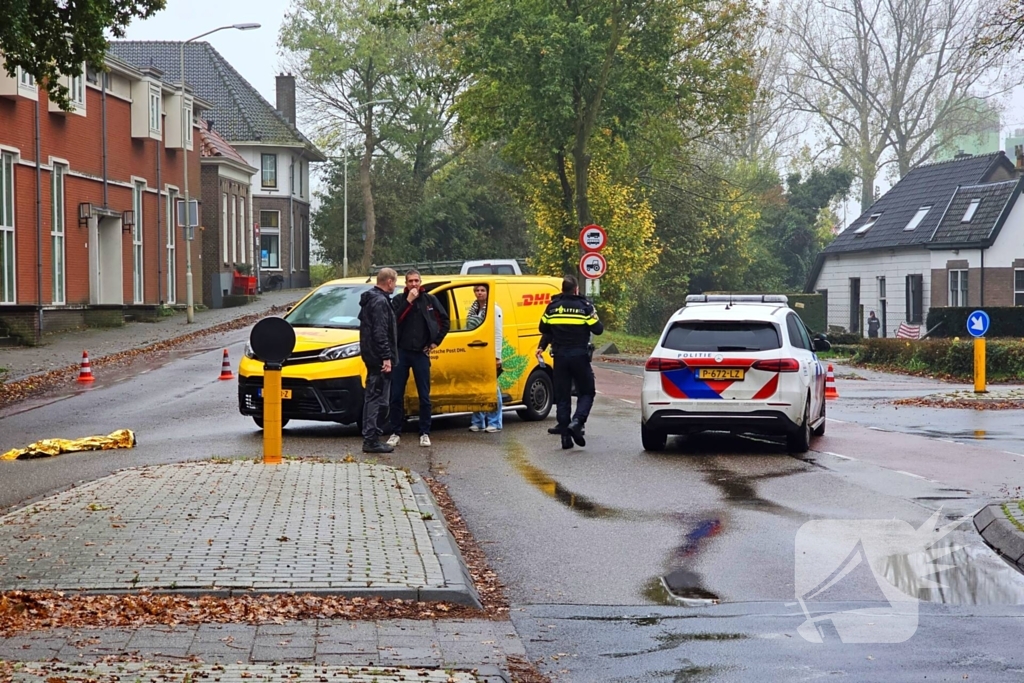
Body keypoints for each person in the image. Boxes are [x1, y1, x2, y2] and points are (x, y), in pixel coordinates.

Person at [537, 275, 604, 449]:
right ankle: (577, 421)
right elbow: (598, 329)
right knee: (587, 392)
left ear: (562, 289)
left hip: (560, 357)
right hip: (579, 356)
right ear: (576, 289)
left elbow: (543, 328)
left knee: (563, 396)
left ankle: (565, 437)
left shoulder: (552, 308)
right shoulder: (585, 307)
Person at [387, 269, 451, 448]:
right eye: (410, 282)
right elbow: (393, 321)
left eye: (416, 281)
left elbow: (445, 321)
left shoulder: (429, 300)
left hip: (421, 353)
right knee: (396, 394)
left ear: (420, 282)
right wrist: (408, 302)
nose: (414, 284)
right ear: (405, 284)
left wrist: (435, 342)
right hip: (402, 352)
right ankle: (395, 432)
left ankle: (424, 432)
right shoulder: (399, 300)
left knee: (425, 395)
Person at [358, 268, 399, 454]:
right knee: (378, 399)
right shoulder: (380, 301)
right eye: (395, 282)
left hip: (370, 355)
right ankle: (371, 439)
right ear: (389, 281)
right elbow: (380, 332)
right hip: (378, 358)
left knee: (373, 397)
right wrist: (386, 357)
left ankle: (372, 436)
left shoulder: (369, 300)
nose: (395, 286)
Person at [468, 284, 504, 433]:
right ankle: (478, 420)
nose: (479, 293)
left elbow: (497, 333)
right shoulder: (473, 309)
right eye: (477, 290)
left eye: (482, 290)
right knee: (476, 386)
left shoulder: (494, 309)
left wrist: (497, 356)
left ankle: (495, 422)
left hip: (489, 352)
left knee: (492, 387)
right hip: (475, 352)